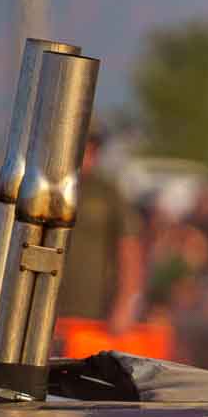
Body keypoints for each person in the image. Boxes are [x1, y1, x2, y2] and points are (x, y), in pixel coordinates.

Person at [53, 128, 144, 356]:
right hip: (49, 310)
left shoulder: (108, 194)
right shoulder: (48, 189)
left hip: (92, 314)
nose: (86, 153)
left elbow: (129, 251)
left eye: (91, 147)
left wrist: (125, 305)